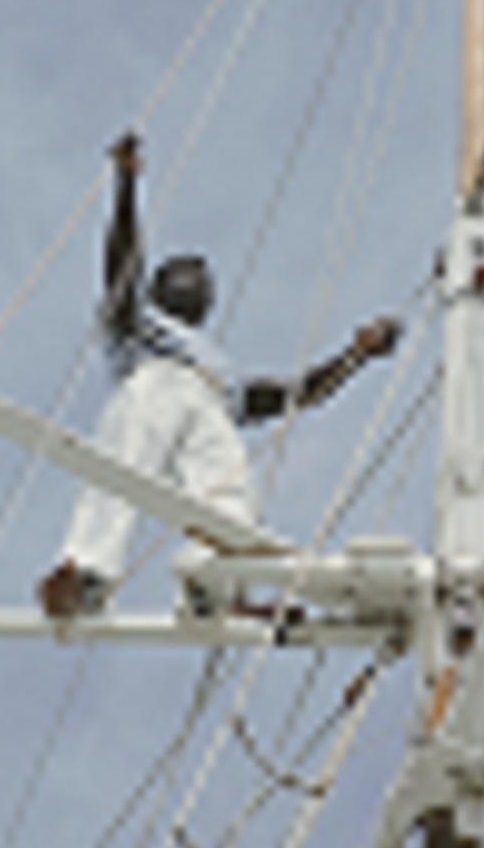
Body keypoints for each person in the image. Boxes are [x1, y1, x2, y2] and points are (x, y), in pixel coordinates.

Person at [38, 133, 401, 617]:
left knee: (232, 494)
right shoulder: (137, 322)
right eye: (181, 273)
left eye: (201, 280)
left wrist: (355, 355)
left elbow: (296, 395)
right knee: (123, 467)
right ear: (158, 289)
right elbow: (121, 266)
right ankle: (86, 573)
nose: (195, 280)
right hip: (155, 382)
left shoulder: (222, 370)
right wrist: (126, 188)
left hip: (211, 405)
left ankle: (217, 585)